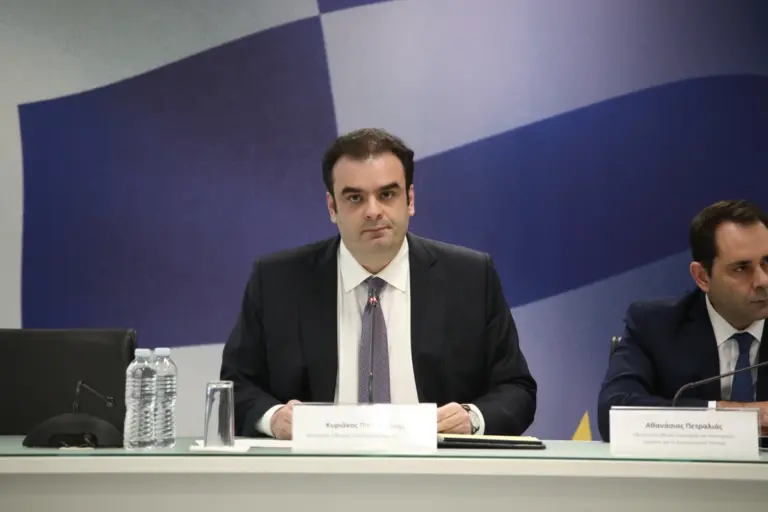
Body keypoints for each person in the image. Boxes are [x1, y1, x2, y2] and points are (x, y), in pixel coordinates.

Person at [220, 128, 537, 439]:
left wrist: (470, 419)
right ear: (332, 207)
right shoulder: (278, 281)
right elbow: (235, 386)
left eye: (387, 194)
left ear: (409, 199)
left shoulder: (470, 277)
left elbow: (516, 389)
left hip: (436, 467)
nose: (373, 211)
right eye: (355, 198)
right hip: (316, 468)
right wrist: (274, 418)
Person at [597, 199, 768, 441]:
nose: (763, 281)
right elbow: (613, 412)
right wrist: (741, 416)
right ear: (702, 277)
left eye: (767, 263)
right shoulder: (655, 326)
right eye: (741, 268)